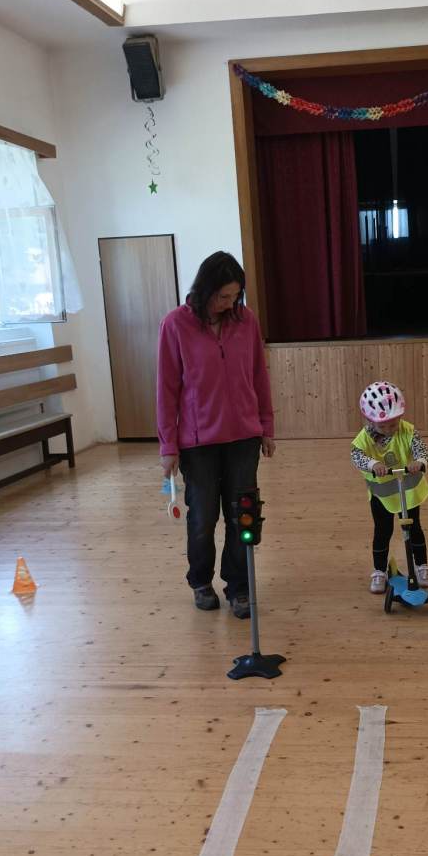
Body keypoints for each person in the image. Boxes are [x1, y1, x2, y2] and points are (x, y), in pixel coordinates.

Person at [157, 251, 275, 617]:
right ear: (205, 289)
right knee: (202, 519)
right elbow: (166, 389)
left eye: (235, 296)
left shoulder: (246, 321)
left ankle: (239, 587)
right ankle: (201, 581)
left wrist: (266, 426)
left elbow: (259, 375)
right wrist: (168, 445)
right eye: (223, 296)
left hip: (243, 438)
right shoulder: (175, 325)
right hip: (198, 444)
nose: (229, 304)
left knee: (242, 517)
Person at [350, 381, 428, 594]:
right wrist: (372, 464)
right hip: (382, 495)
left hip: (408, 493)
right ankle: (379, 571)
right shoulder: (365, 437)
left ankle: (421, 566)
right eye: (382, 427)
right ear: (370, 420)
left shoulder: (408, 431)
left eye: (393, 425)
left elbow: (422, 450)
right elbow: (356, 455)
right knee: (382, 531)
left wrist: (419, 461)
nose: (388, 430)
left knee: (414, 529)